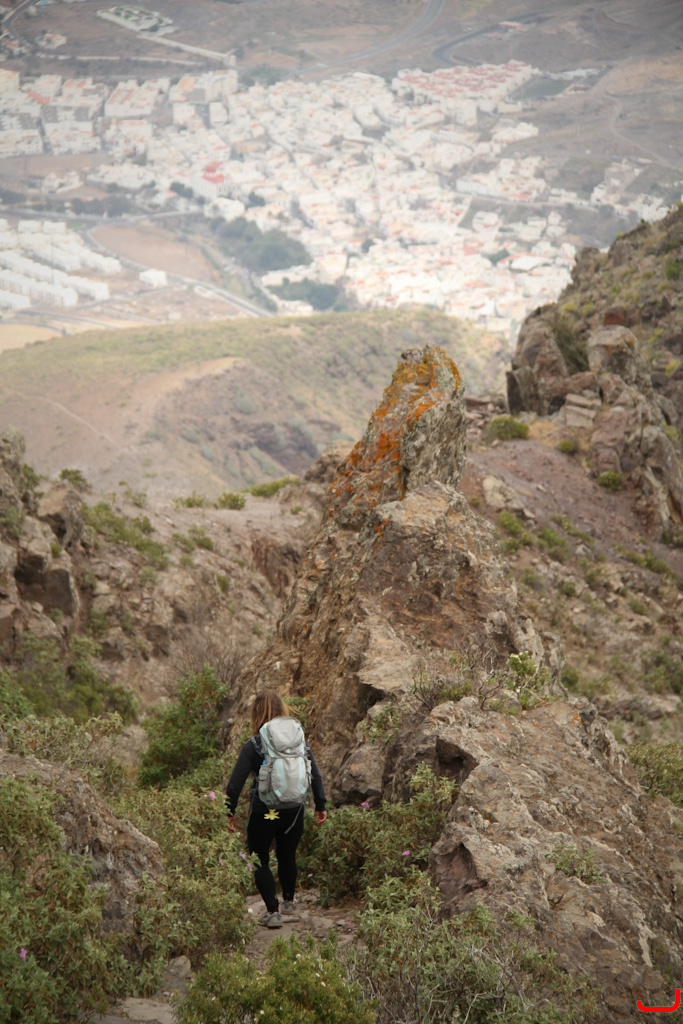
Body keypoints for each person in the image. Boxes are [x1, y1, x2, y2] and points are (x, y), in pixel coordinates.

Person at [225, 689, 327, 928]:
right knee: (287, 854)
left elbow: (235, 784)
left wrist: (229, 811)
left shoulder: (253, 745)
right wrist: (320, 804)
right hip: (295, 810)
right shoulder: (298, 741)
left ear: (256, 713)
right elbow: (316, 774)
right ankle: (289, 901)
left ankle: (272, 911)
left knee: (259, 857)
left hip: (264, 811)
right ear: (282, 710)